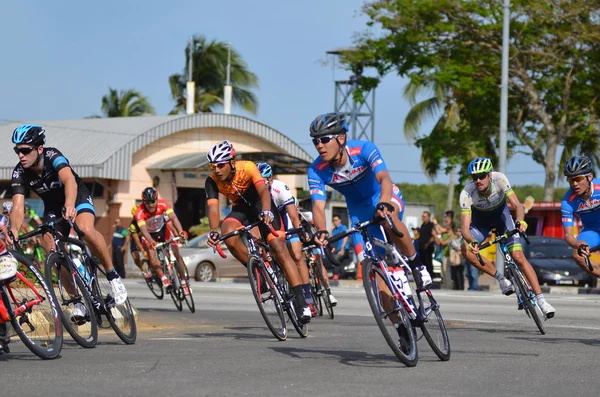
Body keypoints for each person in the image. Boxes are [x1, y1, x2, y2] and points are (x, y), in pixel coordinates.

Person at [9, 124, 128, 314]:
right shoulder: (20, 172)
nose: (21, 155)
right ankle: (77, 300)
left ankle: (113, 276)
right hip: (54, 207)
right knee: (51, 248)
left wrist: (71, 204)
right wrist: (14, 229)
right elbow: (17, 206)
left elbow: (69, 180)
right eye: (17, 151)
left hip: (76, 196)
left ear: (39, 148)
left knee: (85, 229)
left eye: (25, 150)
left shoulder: (53, 156)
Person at [307, 112, 432, 291]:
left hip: (383, 195)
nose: (319, 145)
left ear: (341, 138)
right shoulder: (315, 170)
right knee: (371, 271)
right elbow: (318, 206)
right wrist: (321, 231)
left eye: (324, 139)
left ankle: (417, 265)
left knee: (386, 218)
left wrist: (383, 203)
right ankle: (396, 318)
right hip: (358, 211)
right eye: (315, 141)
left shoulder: (363, 149)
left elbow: (384, 178)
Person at [204, 141, 312, 323]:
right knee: (228, 234)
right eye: (213, 166)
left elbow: (263, 191)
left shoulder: (247, 167)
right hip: (241, 209)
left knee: (279, 249)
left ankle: (302, 303)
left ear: (232, 162)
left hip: (261, 204)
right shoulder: (211, 181)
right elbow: (213, 209)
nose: (216, 170)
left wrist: (268, 211)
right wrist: (213, 231)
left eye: (220, 165)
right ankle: (258, 272)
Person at [459, 157, 555, 317]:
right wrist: (471, 241)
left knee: (518, 256)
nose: (478, 180)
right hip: (481, 223)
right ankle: (501, 279)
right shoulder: (466, 193)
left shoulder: (500, 179)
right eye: (474, 177)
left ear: (489, 175)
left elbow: (517, 206)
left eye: (481, 176)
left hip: (503, 218)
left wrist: (520, 221)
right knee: (465, 249)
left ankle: (542, 301)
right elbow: (464, 227)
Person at [256, 162, 322, 316]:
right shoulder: (255, 193)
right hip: (270, 224)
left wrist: (299, 230)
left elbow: (293, 214)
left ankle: (308, 298)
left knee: (298, 257)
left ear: (271, 178)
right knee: (277, 257)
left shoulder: (280, 187)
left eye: (266, 180)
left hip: (287, 222)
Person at [135, 187, 189, 295]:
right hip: (149, 235)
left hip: (163, 231)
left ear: (157, 199)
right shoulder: (139, 212)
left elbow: (173, 218)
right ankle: (164, 279)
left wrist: (180, 231)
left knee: (176, 254)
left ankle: (184, 282)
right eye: (147, 202)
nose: (150, 205)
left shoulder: (163, 204)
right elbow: (144, 231)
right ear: (143, 202)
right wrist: (151, 241)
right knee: (151, 255)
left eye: (153, 201)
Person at [560, 155, 600, 277]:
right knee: (577, 254)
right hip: (591, 231)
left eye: (578, 178)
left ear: (590, 177)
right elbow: (568, 236)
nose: (575, 184)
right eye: (571, 180)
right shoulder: (568, 202)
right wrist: (579, 244)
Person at [128, 205, 149, 278]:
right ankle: (143, 269)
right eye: (135, 217)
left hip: (145, 236)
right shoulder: (133, 225)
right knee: (135, 256)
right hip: (136, 238)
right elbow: (136, 240)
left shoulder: (146, 220)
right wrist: (142, 250)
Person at [330, 215, 350, 280]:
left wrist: (342, 248)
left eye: (336, 220)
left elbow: (345, 236)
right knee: (340, 263)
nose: (334, 222)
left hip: (344, 249)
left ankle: (336, 274)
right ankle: (341, 275)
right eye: (333, 220)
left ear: (339, 220)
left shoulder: (343, 227)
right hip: (338, 249)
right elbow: (330, 237)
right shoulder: (335, 229)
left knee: (336, 259)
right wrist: (331, 229)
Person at [418, 211, 436, 282]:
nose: (422, 218)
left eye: (424, 217)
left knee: (428, 263)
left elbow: (433, 236)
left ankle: (430, 277)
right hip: (422, 248)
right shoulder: (423, 225)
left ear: (428, 217)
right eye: (422, 217)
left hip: (428, 247)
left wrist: (427, 244)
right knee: (423, 263)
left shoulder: (430, 225)